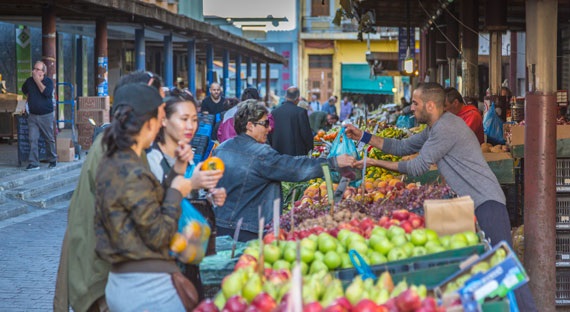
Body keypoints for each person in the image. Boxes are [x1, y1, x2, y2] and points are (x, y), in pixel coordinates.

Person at [344, 82, 537, 311]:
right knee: (487, 268)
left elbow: (417, 167)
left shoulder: (446, 128)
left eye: (415, 103)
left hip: (487, 203)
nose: (411, 108)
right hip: (473, 204)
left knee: (504, 265)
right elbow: (402, 146)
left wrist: (373, 161)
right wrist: (364, 137)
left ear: (431, 105)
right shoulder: (436, 127)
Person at [94, 83, 214, 311]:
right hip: (145, 291)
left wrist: (178, 170)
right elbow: (158, 234)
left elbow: (150, 202)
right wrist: (178, 191)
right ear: (148, 123)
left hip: (128, 284)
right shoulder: (133, 169)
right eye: (160, 118)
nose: (162, 124)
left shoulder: (119, 160)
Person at [53, 71, 165, 312]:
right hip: (101, 281)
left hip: (98, 276)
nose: (163, 113)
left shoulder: (116, 143)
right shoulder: (117, 151)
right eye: (159, 103)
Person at [213, 101, 355, 241]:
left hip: (220, 226)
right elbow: (295, 168)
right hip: (250, 231)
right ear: (250, 126)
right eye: (265, 123)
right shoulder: (261, 153)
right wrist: (333, 162)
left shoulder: (221, 149)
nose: (269, 129)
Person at [146, 89, 226, 301]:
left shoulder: (187, 155)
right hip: (161, 267)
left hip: (187, 253)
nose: (191, 126)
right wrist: (191, 183)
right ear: (163, 120)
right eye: (183, 119)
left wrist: (209, 195)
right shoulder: (151, 159)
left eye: (194, 119)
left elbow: (186, 195)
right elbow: (156, 202)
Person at [22, 60, 57, 170]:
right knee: (32, 138)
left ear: (43, 72)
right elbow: (24, 91)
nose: (34, 71)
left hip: (46, 115)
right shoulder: (29, 81)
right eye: (34, 68)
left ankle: (52, 159)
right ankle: (34, 162)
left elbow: (46, 93)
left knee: (49, 138)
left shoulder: (48, 82)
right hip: (32, 115)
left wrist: (37, 80)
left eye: (37, 69)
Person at [270, 86, 314, 156]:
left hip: (277, 154)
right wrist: (308, 149)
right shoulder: (301, 112)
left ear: (285, 96)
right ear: (298, 98)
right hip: (296, 155)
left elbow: (270, 134)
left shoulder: (274, 112)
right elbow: (306, 134)